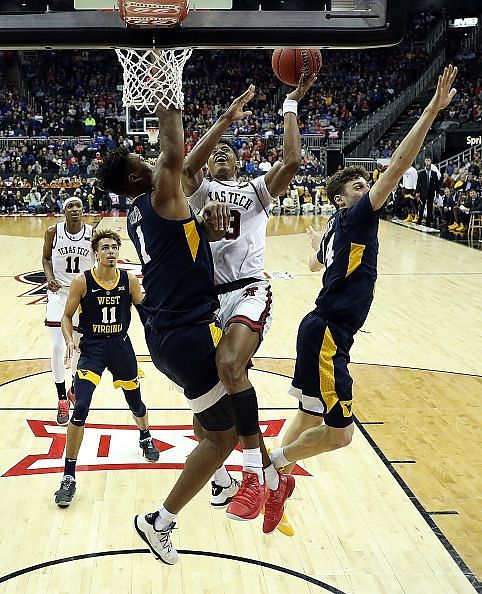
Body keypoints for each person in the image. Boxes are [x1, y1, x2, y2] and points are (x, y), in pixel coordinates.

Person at [268, 66, 458, 480]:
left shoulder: (337, 225)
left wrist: (317, 244)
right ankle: (267, 468)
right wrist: (430, 110)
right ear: (341, 199)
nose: (364, 185)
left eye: (362, 182)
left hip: (318, 327)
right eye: (356, 185)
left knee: (306, 415)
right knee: (338, 435)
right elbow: (397, 167)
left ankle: (267, 484)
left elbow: (315, 264)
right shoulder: (354, 217)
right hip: (330, 334)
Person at [98, 97, 239, 565]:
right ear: (141, 176)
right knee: (225, 436)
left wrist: (221, 120)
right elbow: (175, 153)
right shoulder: (160, 194)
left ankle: (216, 477)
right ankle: (159, 520)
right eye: (146, 160)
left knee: (211, 416)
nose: (153, 160)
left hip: (165, 336)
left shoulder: (145, 207)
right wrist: (167, 92)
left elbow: (184, 161)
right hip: (188, 333)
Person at [182, 75, 316, 533]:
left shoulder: (255, 191)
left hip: (249, 288)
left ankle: (254, 476)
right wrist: (223, 122)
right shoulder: (198, 192)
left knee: (230, 365)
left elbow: (293, 160)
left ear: (240, 162)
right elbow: (184, 168)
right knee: (210, 416)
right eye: (215, 153)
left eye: (228, 152)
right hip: (208, 301)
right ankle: (273, 477)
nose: (220, 156)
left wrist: (290, 106)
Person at [54, 229, 160, 507]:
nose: (111, 251)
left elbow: (145, 312)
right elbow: (66, 316)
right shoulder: (82, 281)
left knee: (135, 403)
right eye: (105, 248)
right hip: (92, 349)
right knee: (81, 407)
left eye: (114, 247)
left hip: (121, 347)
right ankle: (68, 477)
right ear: (96, 253)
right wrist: (69, 340)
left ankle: (145, 435)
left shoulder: (129, 280)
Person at [42, 196, 94, 426]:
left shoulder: (92, 233)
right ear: (64, 211)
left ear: (84, 210)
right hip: (59, 293)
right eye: (70, 206)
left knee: (80, 348)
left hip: (82, 296)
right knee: (57, 346)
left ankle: (73, 386)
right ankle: (62, 398)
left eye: (78, 206)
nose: (74, 210)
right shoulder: (53, 232)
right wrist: (50, 277)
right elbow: (45, 258)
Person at [415, 157, 440, 227]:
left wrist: (437, 192)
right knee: (422, 206)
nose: (428, 166)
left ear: (431, 166)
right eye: (427, 165)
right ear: (425, 166)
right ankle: (419, 220)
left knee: (430, 207)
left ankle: (428, 221)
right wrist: (417, 192)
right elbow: (418, 184)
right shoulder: (421, 173)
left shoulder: (434, 173)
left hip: (431, 192)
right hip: (423, 192)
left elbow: (437, 184)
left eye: (429, 165)